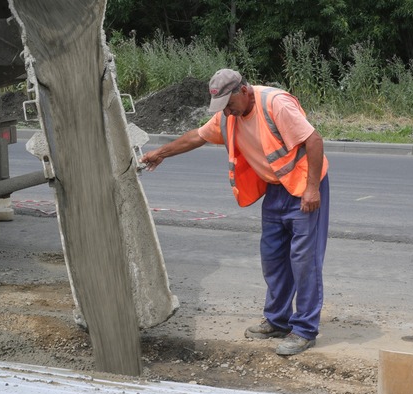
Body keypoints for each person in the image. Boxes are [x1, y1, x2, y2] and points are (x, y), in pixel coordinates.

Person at [140, 68, 329, 356]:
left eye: (229, 103)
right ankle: (278, 321)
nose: (227, 112)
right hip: (276, 189)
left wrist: (312, 188)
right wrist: (160, 153)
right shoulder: (230, 116)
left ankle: (304, 330)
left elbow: (314, 141)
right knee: (273, 258)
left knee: (304, 261)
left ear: (244, 90)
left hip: (304, 186)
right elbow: (197, 136)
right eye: (222, 107)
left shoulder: (274, 103)